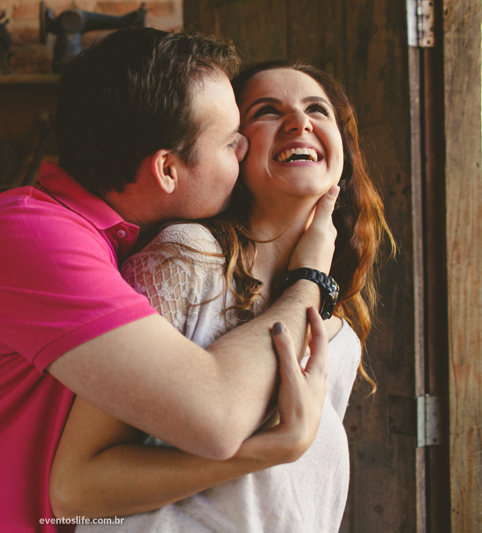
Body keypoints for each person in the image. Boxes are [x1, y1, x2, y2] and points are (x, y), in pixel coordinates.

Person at [0, 29, 339, 532]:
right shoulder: (31, 236)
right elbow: (217, 417)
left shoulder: (121, 242)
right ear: (167, 169)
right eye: (230, 141)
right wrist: (310, 280)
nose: (243, 149)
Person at [49, 61, 394, 532]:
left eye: (318, 109)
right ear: (233, 149)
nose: (299, 121)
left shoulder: (341, 337)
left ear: (343, 154)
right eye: (267, 111)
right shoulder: (186, 260)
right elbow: (77, 492)